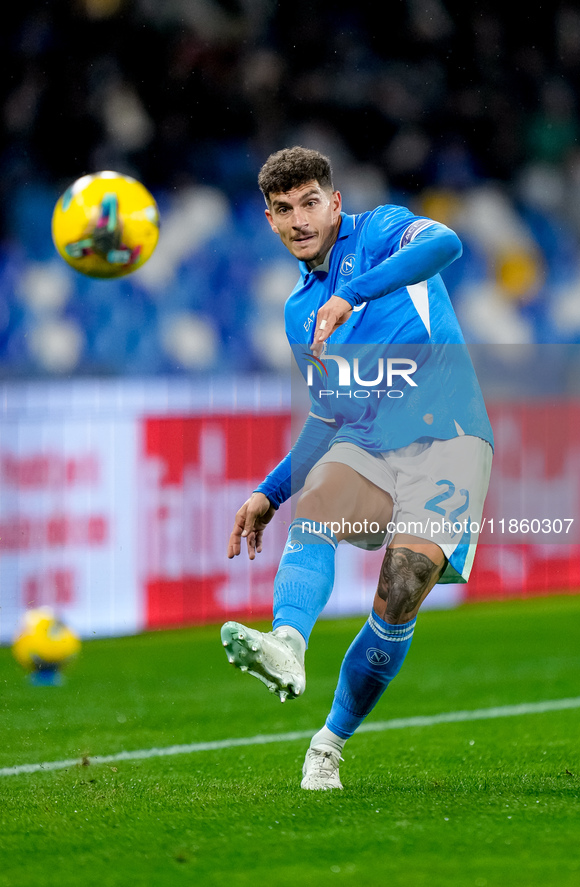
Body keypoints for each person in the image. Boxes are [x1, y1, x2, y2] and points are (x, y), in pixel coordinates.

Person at [222, 146, 493, 790]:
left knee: (399, 591)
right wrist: (269, 492)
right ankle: (287, 644)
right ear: (269, 220)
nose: (299, 220)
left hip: (451, 441)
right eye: (284, 210)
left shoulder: (383, 231)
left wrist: (352, 295)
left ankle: (330, 741)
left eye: (310, 202)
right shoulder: (297, 312)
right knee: (320, 498)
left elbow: (448, 243)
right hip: (370, 448)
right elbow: (329, 416)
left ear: (335, 202)